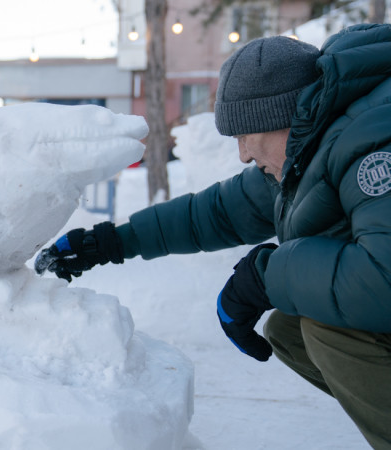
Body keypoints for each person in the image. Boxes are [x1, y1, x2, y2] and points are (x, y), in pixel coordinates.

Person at [34, 23, 391, 449]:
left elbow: (383, 280)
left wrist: (266, 274)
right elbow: (216, 213)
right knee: (291, 329)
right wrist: (111, 242)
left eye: (246, 135)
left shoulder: (371, 141)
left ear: (286, 117)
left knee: (324, 331)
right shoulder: (305, 149)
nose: (243, 154)